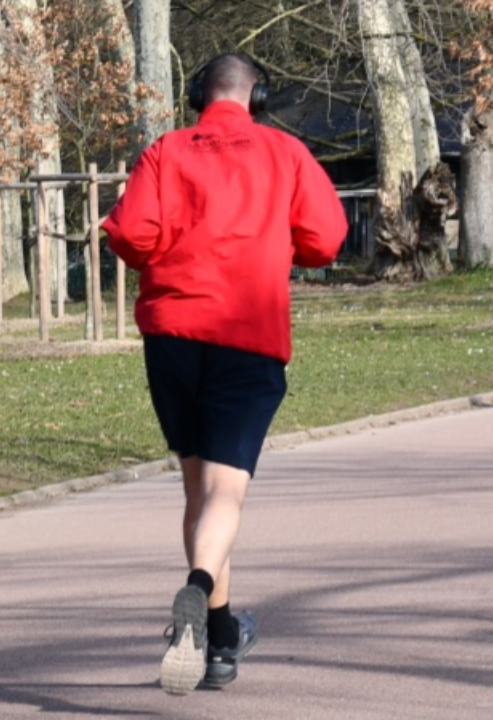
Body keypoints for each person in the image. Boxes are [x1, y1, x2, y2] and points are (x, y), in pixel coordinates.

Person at [101, 52, 347, 695]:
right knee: (226, 494)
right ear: (257, 95)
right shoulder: (286, 153)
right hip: (248, 335)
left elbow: (131, 236)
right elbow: (325, 239)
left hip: (172, 339)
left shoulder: (165, 152)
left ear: (194, 95)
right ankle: (199, 589)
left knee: (197, 491)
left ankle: (219, 640)